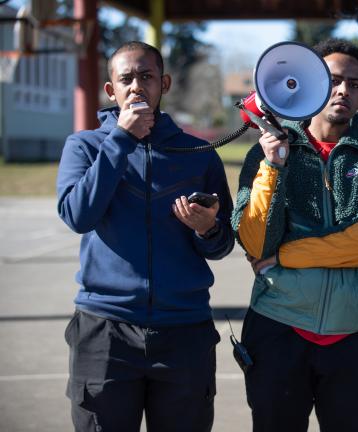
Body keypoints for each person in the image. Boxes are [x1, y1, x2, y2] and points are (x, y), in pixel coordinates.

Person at [56, 41, 234, 432]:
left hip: (184, 332)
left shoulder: (198, 152)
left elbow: (223, 243)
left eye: (146, 76)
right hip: (105, 331)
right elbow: (77, 215)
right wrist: (121, 140)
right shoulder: (84, 147)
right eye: (126, 79)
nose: (137, 86)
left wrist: (207, 228)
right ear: (111, 90)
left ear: (164, 83)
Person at [231, 38, 358, 431]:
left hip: (355, 335)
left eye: (355, 83)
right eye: (333, 79)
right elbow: (256, 243)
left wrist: (289, 256)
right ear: (307, 83)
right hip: (278, 328)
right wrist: (273, 167)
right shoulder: (266, 153)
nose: (344, 89)